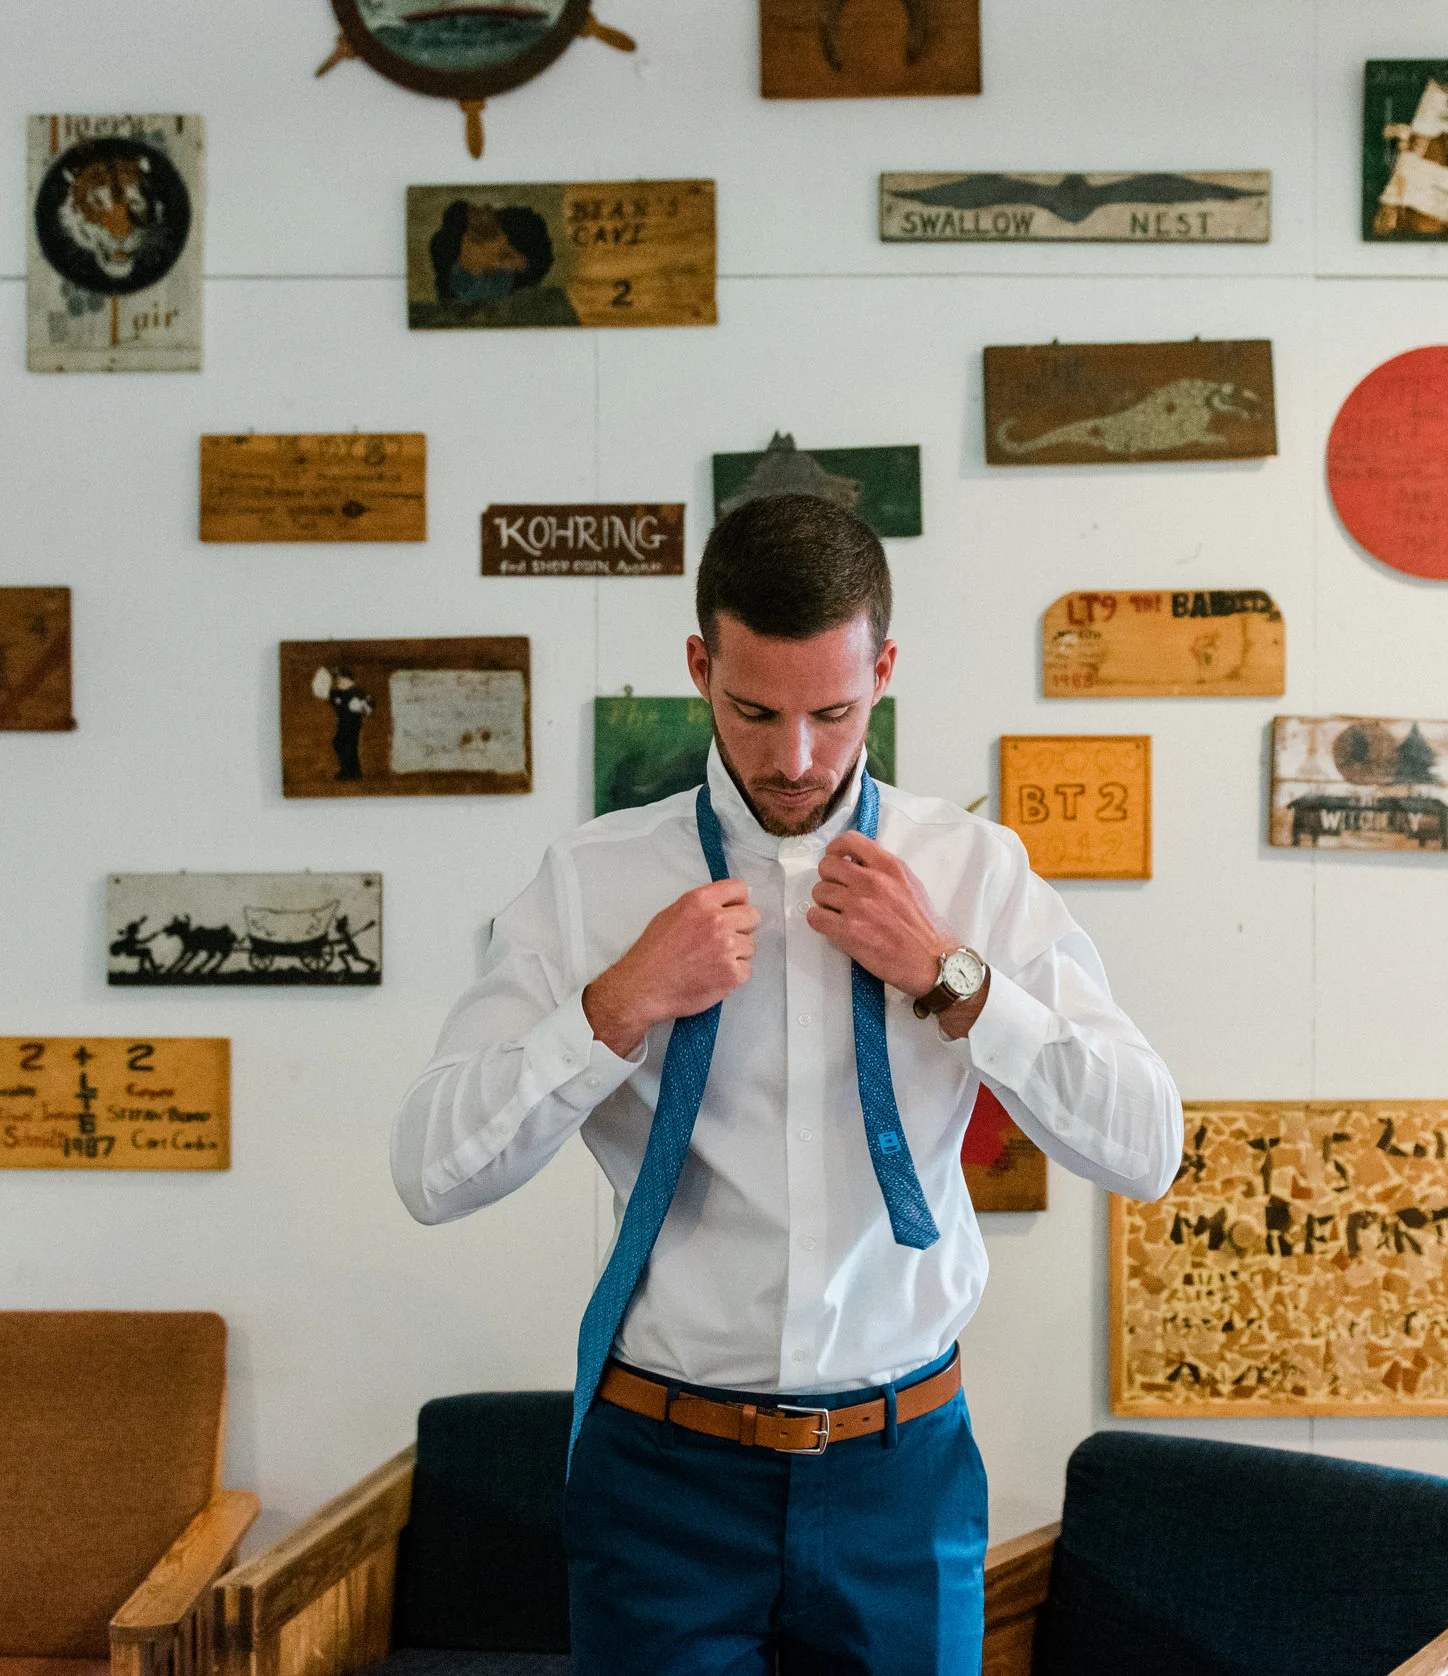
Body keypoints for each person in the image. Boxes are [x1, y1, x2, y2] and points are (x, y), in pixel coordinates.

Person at [392, 493, 1182, 1675]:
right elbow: (429, 1172)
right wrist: (613, 1006)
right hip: (662, 1479)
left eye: (834, 710)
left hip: (900, 1473)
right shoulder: (592, 882)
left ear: (886, 669)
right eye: (755, 711)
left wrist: (954, 977)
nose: (796, 757)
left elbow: (1145, 1146)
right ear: (701, 665)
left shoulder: (969, 870)